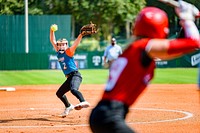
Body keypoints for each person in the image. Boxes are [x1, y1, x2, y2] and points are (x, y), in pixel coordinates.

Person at [89, 1, 200, 133]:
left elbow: (179, 49)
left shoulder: (135, 48)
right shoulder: (145, 46)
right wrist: (187, 19)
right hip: (110, 116)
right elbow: (194, 42)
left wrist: (185, 21)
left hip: (104, 114)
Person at [50, 24, 90, 117]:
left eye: (63, 44)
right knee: (59, 93)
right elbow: (52, 40)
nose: (61, 46)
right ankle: (68, 106)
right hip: (69, 78)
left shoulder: (69, 51)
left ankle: (83, 101)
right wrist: (51, 30)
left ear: (66, 45)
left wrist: (80, 35)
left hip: (75, 75)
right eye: (59, 44)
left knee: (73, 90)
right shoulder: (58, 53)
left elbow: (75, 44)